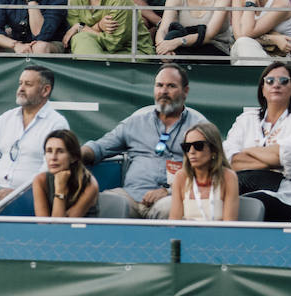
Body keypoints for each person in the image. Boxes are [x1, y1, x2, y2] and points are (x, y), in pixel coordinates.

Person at [82, 63, 205, 218]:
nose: (164, 91)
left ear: (185, 91)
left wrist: (168, 191)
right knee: (105, 201)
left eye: (171, 86)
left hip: (172, 196)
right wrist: (75, 154)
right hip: (131, 195)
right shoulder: (136, 122)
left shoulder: (199, 126)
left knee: (170, 207)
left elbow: (209, 171)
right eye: (159, 85)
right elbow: (100, 148)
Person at [222, 61, 291, 220]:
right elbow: (229, 161)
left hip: (288, 193)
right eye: (270, 81)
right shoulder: (246, 119)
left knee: (252, 203)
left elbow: (287, 157)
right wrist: (272, 161)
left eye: (284, 81)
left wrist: (247, 151)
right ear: (262, 89)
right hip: (244, 184)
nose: (276, 85)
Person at [0, 65, 71, 198]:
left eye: (28, 84)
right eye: (20, 83)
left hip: (32, 197)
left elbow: (49, 169)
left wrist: (18, 194)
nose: (21, 89)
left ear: (45, 90)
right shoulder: (5, 118)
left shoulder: (57, 123)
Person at [168, 120, 239, 220]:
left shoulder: (228, 177)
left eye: (198, 146)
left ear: (214, 149)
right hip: (187, 235)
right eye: (187, 147)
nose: (191, 152)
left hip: (219, 235)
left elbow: (229, 225)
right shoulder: (181, 177)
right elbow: (174, 224)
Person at [32, 128, 98, 217]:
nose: (53, 157)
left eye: (60, 151)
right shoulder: (40, 180)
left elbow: (60, 227)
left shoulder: (90, 185)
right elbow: (43, 225)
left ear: (73, 157)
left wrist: (60, 190)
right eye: (49, 151)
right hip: (50, 230)